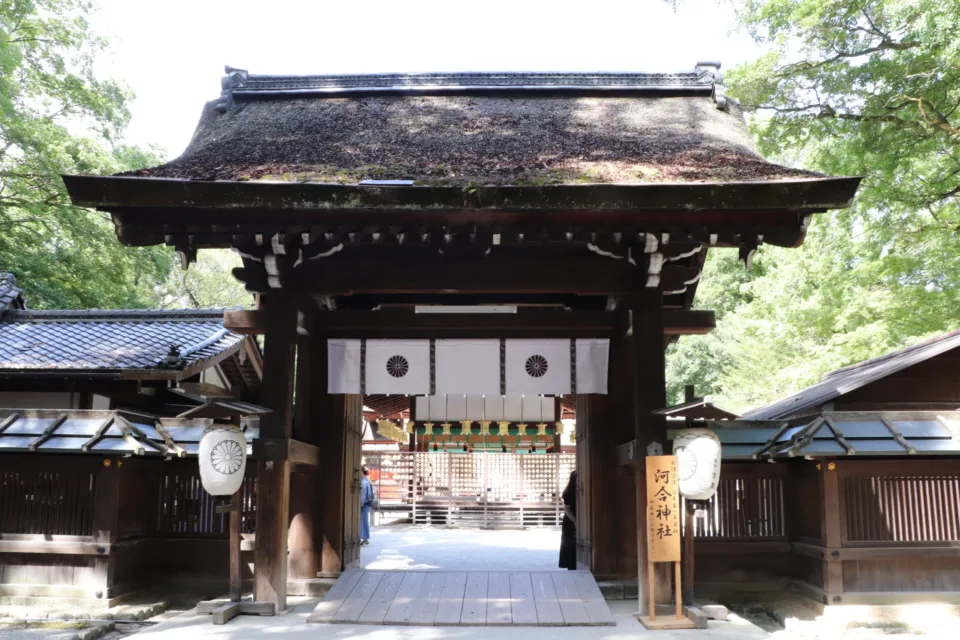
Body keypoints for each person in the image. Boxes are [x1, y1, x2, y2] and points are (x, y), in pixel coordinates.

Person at [559, 469, 578, 570]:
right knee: (570, 544)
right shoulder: (569, 491)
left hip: (577, 520)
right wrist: (575, 521)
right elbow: (567, 509)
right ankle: (571, 566)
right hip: (570, 520)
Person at [360, 466, 375, 547]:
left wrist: (360, 504)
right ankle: (364, 538)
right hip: (366, 503)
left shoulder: (363, 482)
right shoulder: (366, 480)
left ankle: (364, 538)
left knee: (363, 521)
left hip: (364, 504)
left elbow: (363, 495)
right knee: (364, 520)